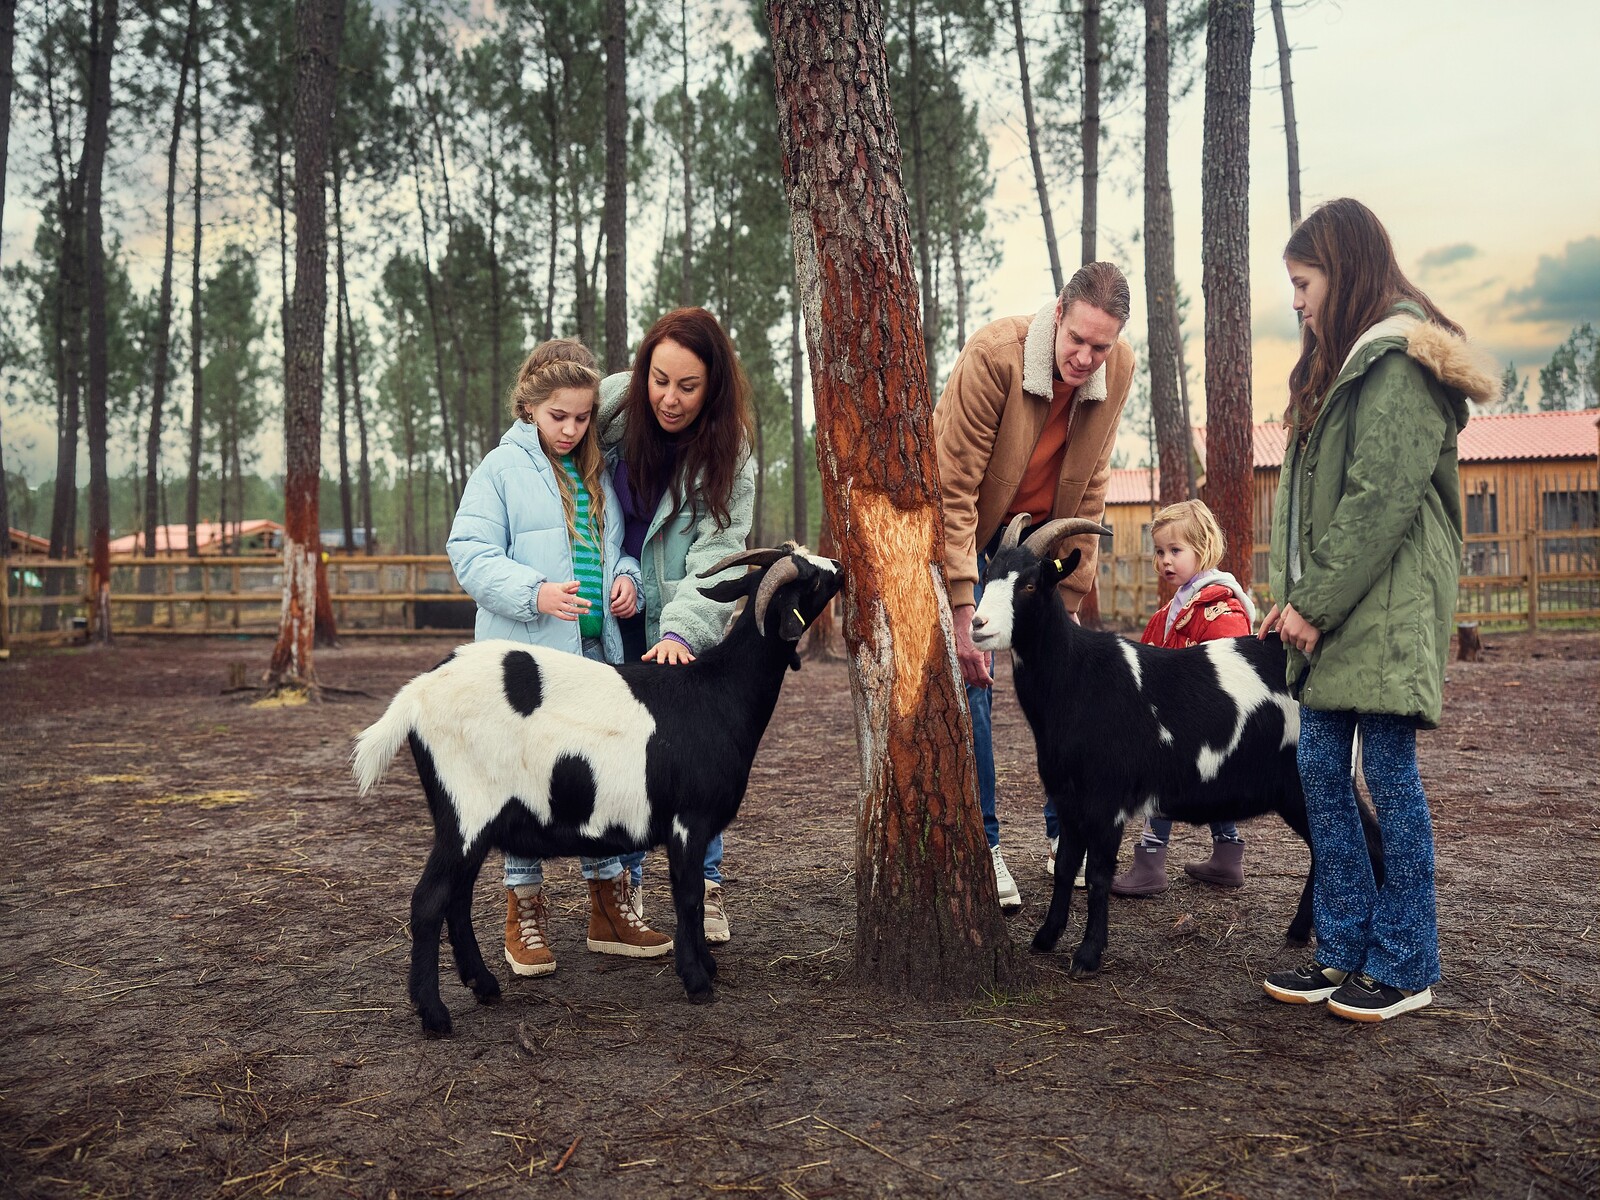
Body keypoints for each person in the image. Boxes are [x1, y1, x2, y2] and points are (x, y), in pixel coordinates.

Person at [1258, 197, 1493, 1021]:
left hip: (1386, 608)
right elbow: (1312, 505)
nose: (1296, 301)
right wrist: (1294, 598)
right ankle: (1344, 947)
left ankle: (1406, 961)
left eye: (1304, 282)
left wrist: (1316, 602)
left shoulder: (1399, 362)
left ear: (1345, 270)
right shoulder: (1342, 365)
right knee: (1321, 771)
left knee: (1387, 774)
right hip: (1336, 607)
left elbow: (1379, 499)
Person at [447, 338, 673, 979]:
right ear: (529, 407)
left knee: (598, 780)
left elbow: (616, 547)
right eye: (558, 417)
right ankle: (523, 911)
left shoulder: (595, 472)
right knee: (527, 781)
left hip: (594, 661)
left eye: (581, 417)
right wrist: (534, 593)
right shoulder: (500, 470)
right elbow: (469, 552)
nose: (571, 429)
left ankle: (608, 909)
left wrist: (626, 576)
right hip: (526, 665)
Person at [933, 262, 1137, 910]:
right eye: (1076, 339)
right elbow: (954, 490)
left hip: (1042, 544)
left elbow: (1093, 484)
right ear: (1058, 314)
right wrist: (962, 606)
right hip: (973, 532)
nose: (1085, 358)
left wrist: (1070, 597)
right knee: (975, 682)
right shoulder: (995, 355)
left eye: (1100, 346)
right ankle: (985, 846)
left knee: (1069, 686)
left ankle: (1065, 836)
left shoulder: (1117, 367)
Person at [595, 308, 757, 945]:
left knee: (695, 756)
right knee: (621, 754)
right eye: (659, 380)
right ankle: (626, 882)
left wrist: (681, 632)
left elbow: (719, 556)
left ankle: (705, 885)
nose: (669, 398)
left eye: (687, 387)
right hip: (610, 610)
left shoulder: (731, 454)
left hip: (680, 625)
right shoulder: (609, 408)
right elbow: (539, 440)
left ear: (712, 387)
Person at [1109, 500, 1254, 897]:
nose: (1165, 561)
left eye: (1176, 550)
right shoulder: (1172, 611)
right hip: (1180, 723)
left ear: (1202, 548)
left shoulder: (1221, 611)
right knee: (1209, 787)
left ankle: (1149, 864)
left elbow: (1230, 672)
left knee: (1161, 781)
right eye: (1159, 551)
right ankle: (1227, 856)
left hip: (1209, 727)